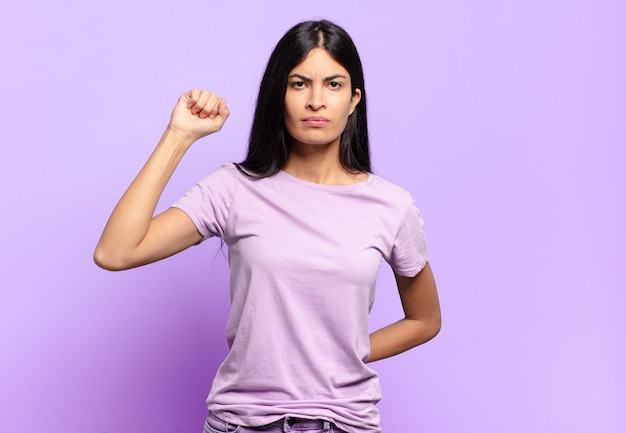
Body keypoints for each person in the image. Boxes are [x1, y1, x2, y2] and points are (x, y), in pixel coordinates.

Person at [94, 19, 441, 433]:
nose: (316, 100)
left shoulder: (390, 205)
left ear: (353, 100)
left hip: (344, 422)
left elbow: (425, 319)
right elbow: (115, 253)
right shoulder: (234, 189)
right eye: (298, 84)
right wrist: (179, 136)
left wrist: (346, 350)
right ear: (279, 95)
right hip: (241, 424)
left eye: (333, 85)